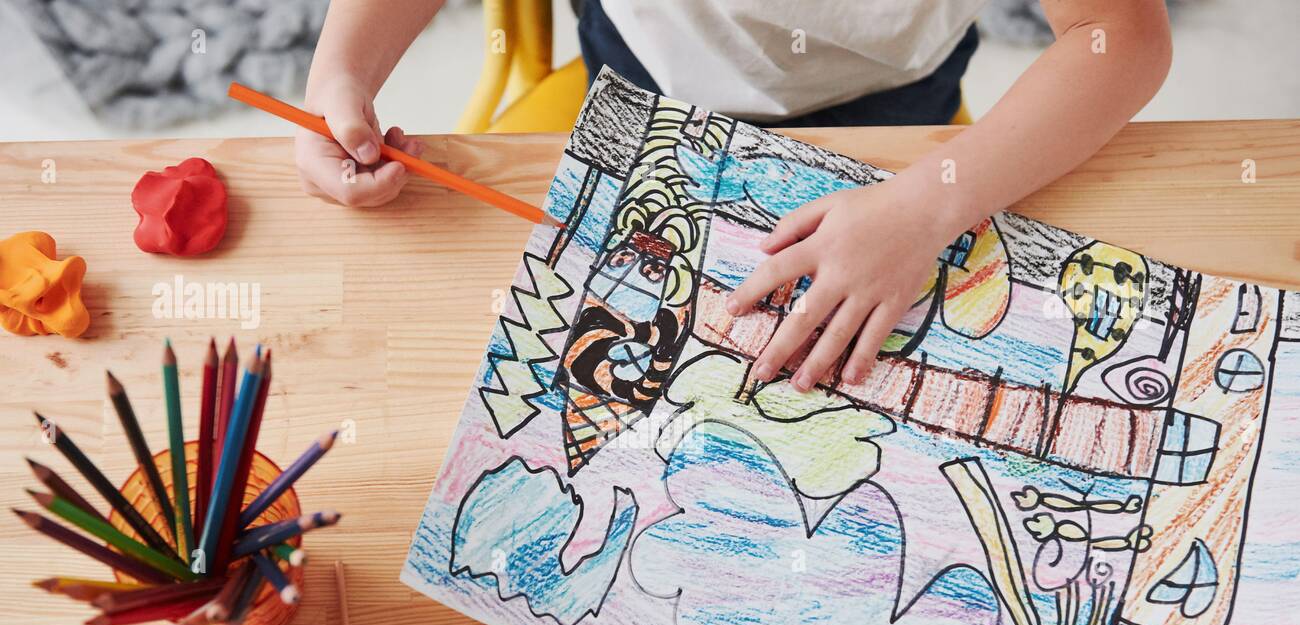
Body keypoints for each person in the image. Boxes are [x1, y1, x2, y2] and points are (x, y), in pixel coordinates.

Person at [296, 0, 1172, 386]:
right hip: (644, 71)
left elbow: (1120, 38)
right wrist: (341, 72)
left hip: (888, 114)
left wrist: (927, 204)